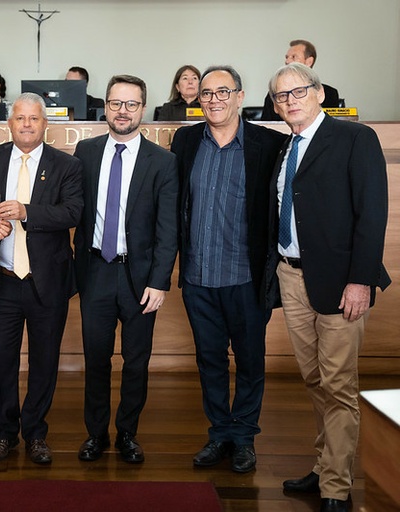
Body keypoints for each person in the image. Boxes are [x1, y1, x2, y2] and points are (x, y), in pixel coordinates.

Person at [268, 62, 390, 512]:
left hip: (341, 283)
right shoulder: (286, 148)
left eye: (298, 91)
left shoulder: (355, 139)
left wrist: (360, 280)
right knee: (316, 379)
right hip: (291, 276)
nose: (290, 100)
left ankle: (336, 486)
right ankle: (325, 464)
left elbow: (372, 214)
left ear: (319, 93)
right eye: (281, 96)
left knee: (339, 385)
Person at [170, 66, 286, 474]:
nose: (214, 99)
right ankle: (219, 432)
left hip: (247, 277)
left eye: (223, 91)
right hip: (199, 276)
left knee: (251, 361)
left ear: (240, 96)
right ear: (197, 99)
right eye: (206, 93)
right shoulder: (185, 140)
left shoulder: (270, 144)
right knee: (210, 360)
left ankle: (244, 438)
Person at [73, 74, 178, 464]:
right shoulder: (85, 152)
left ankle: (128, 433)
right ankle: (96, 434)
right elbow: (73, 210)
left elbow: (169, 229)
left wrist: (160, 281)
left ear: (143, 109)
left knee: (136, 361)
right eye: (116, 103)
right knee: (96, 358)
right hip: (96, 271)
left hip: (140, 278)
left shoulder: (163, 162)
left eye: (131, 104)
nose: (123, 111)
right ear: (106, 106)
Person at [0, 92, 83, 465]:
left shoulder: (65, 165)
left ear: (45, 124)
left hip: (47, 281)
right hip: (3, 280)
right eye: (20, 118)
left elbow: (72, 212)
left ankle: (36, 432)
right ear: (9, 123)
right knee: (2, 361)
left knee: (44, 361)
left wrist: (26, 212)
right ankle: (4, 433)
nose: (26, 124)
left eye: (34, 119)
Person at [260, 39, 340, 121]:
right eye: (287, 57)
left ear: (309, 62)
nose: (287, 61)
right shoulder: (274, 94)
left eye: (294, 57)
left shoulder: (329, 94)